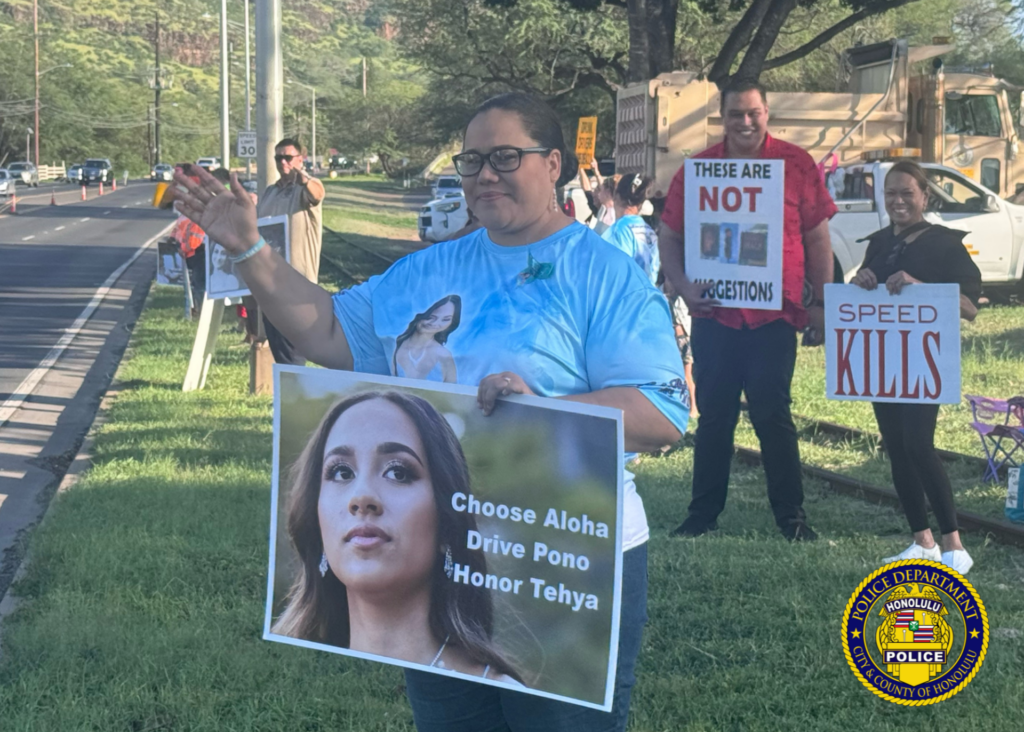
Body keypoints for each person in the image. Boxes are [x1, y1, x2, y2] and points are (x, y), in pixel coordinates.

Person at [171, 91, 688, 732]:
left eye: (505, 157)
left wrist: (549, 408)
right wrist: (250, 250)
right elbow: (330, 332)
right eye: (472, 161)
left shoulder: (604, 275)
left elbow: (663, 412)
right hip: (447, 554)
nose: (484, 175)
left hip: (568, 558)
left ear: (553, 164)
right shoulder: (427, 270)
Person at [658, 79, 837, 541]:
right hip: (714, 315)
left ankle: (792, 519)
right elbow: (670, 235)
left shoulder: (796, 164)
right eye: (735, 113)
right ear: (722, 118)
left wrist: (825, 303)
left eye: (753, 112)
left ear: (767, 113)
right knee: (715, 416)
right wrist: (682, 286)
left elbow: (818, 236)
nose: (745, 121)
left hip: (775, 317)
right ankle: (702, 517)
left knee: (773, 415)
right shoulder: (697, 171)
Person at [273, 390, 521, 681]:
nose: (362, 496)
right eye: (341, 472)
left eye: (398, 473)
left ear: (446, 521)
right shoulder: (281, 674)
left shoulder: (497, 693)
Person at [850, 160, 981, 574]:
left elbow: (970, 308)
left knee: (918, 444)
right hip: (883, 360)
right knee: (895, 446)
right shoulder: (878, 242)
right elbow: (861, 293)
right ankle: (920, 540)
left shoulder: (945, 244)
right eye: (891, 193)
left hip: (925, 360)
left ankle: (953, 544)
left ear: (925, 196)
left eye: (907, 192)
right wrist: (862, 278)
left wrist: (920, 287)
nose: (898, 200)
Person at [257, 137, 326, 366]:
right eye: (278, 158)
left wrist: (303, 177)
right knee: (280, 353)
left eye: (288, 157)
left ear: (300, 159)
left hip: (298, 284)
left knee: (293, 353)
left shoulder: (306, 188)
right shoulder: (270, 192)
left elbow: (317, 194)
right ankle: (286, 398)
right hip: (270, 284)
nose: (283, 162)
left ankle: (296, 397)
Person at [601, 174, 660, 286]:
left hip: (626, 299)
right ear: (641, 204)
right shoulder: (650, 232)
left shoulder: (618, 231)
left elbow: (614, 275)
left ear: (616, 197)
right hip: (648, 298)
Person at [393, 295, 460, 382]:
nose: (435, 323)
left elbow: (452, 392)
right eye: (430, 317)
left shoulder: (445, 355)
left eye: (446, 319)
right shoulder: (394, 345)